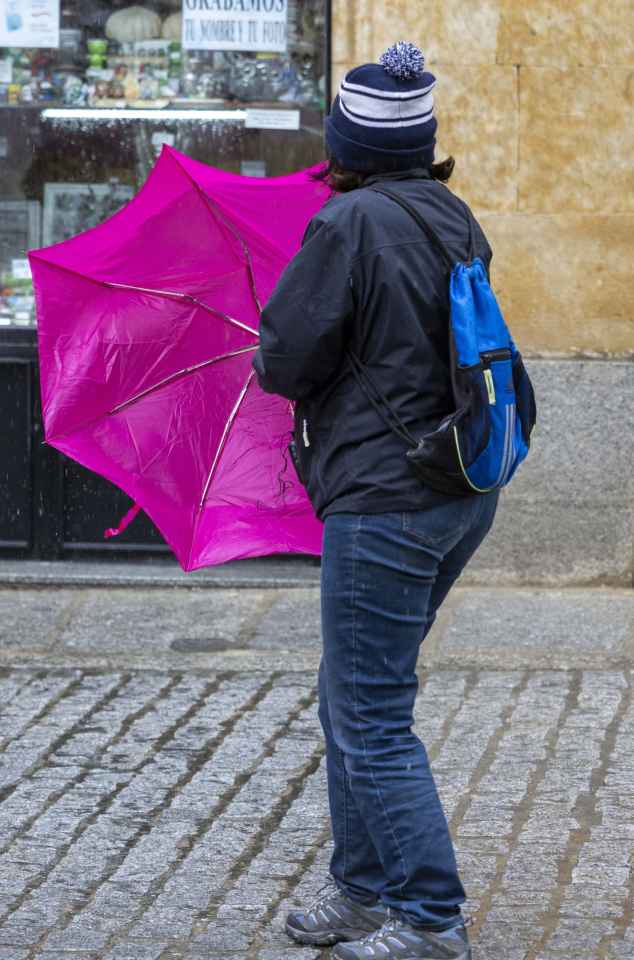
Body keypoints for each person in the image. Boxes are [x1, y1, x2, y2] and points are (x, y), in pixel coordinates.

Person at [257, 43, 494, 960]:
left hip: (385, 498)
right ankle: (361, 893)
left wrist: (268, 346)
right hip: (456, 490)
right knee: (350, 697)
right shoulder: (451, 214)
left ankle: (430, 918)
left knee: (370, 713)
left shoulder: (349, 225)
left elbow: (286, 359)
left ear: (347, 142)